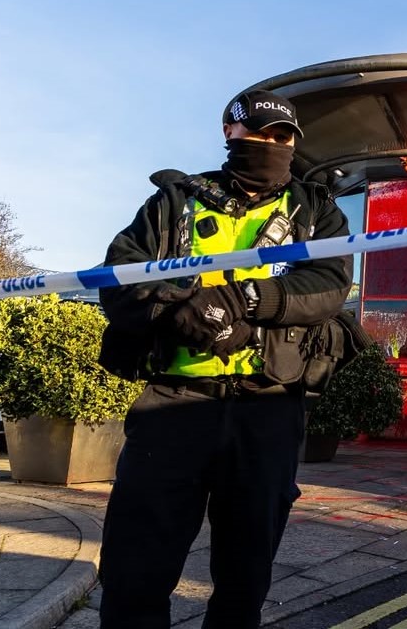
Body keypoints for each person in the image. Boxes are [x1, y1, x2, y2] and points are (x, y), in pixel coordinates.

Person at [96, 89, 353, 628]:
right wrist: (183, 308)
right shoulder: (171, 203)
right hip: (173, 403)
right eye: (258, 133)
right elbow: (120, 279)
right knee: (133, 572)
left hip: (268, 411)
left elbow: (327, 285)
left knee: (244, 578)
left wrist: (241, 300)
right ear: (229, 133)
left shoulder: (316, 211)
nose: (271, 145)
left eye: (283, 137)